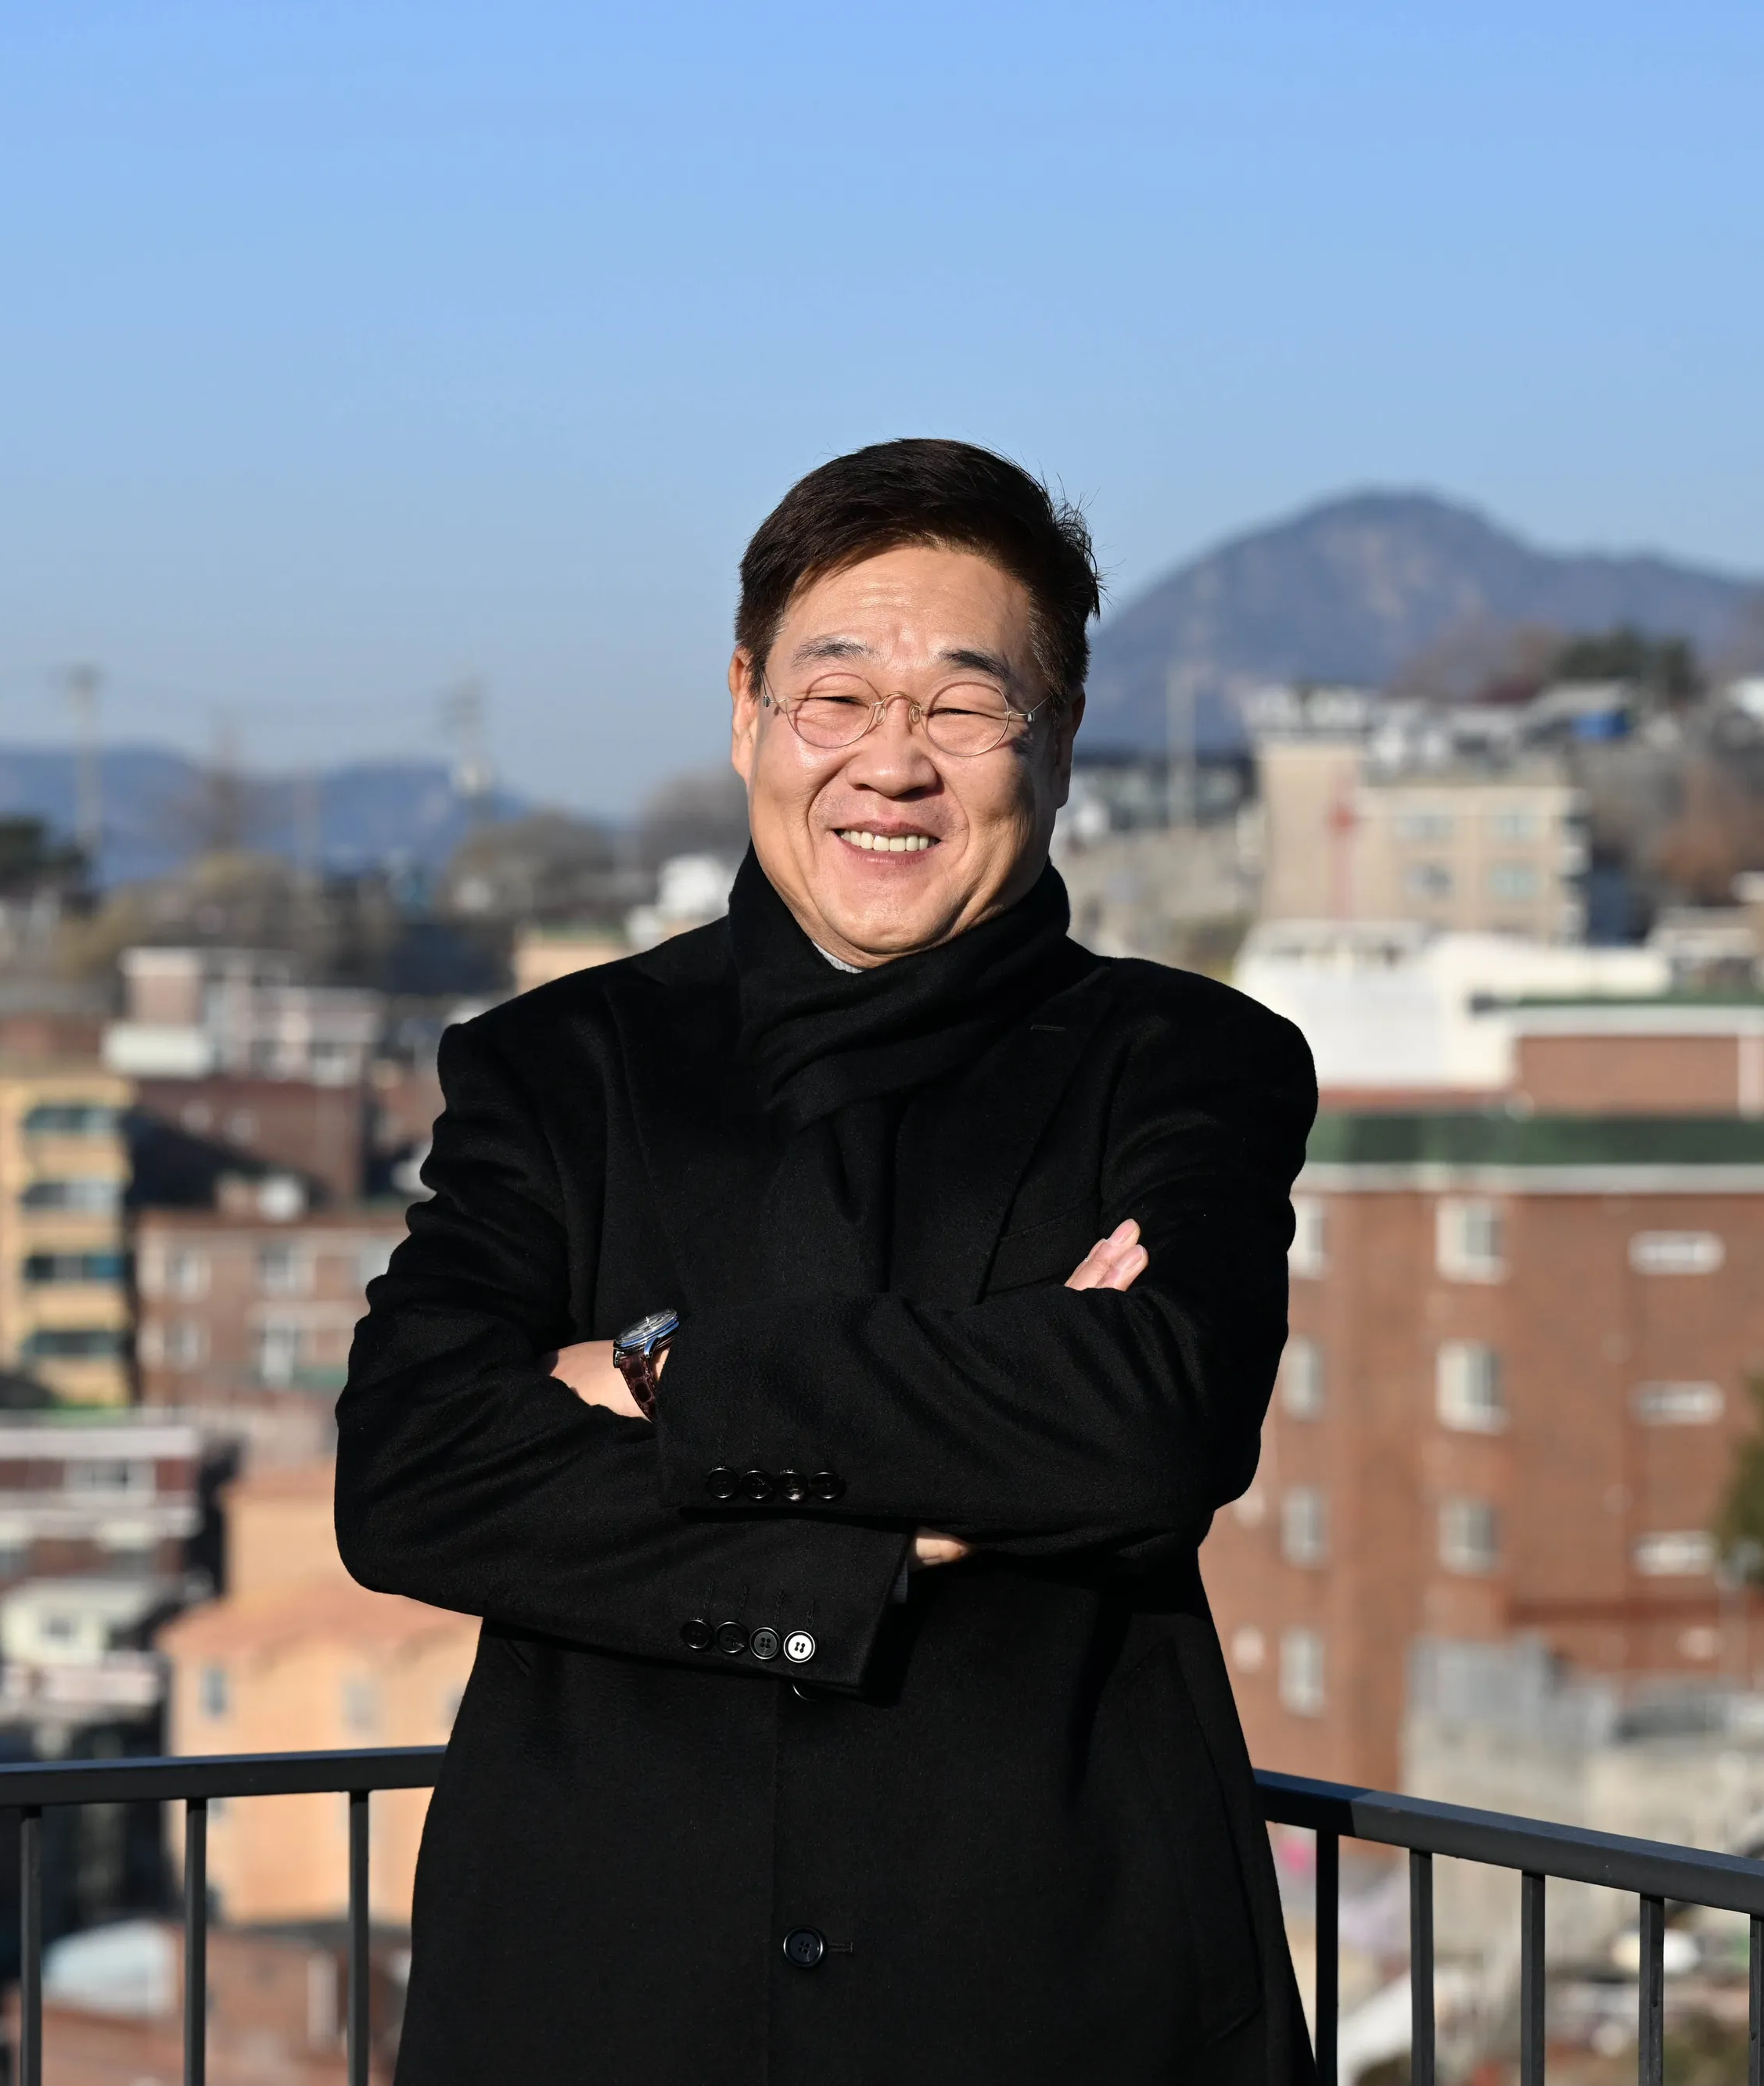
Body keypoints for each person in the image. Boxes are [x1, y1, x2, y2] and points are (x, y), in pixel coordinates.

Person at [336, 438, 1319, 2084]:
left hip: (1060, 2003)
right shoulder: (562, 1067)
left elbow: (1156, 1418)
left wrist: (662, 1369)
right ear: (747, 709)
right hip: (596, 2006)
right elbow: (410, 1473)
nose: (891, 764)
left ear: (1060, 735)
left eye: (962, 705)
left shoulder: (1184, 1061)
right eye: (838, 696)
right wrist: (888, 1530)